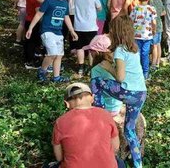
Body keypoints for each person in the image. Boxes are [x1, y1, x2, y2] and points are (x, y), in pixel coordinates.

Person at [90, 16, 147, 168]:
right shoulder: (133, 47)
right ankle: (138, 164)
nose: (109, 33)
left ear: (116, 32)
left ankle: (98, 114)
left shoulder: (120, 50)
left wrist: (108, 68)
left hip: (128, 92)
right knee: (129, 130)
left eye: (111, 30)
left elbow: (120, 78)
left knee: (97, 82)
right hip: (141, 94)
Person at [50, 83, 125, 168]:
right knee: (120, 163)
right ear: (92, 98)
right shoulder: (106, 115)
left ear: (66, 103)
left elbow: (59, 158)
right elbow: (115, 147)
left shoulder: (60, 122)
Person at [26, 0, 78, 83]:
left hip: (58, 31)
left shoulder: (64, 2)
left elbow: (66, 17)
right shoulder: (49, 0)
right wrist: (30, 28)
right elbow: (39, 14)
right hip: (47, 30)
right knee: (52, 54)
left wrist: (72, 30)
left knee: (59, 55)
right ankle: (42, 71)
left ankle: (56, 77)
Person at [84, 35, 122, 116]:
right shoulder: (115, 63)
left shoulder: (96, 69)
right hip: (117, 106)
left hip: (106, 109)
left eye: (91, 50)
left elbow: (95, 91)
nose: (90, 52)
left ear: (97, 52)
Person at [73, 0, 101, 77]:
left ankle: (81, 67)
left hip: (78, 26)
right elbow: (99, 8)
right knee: (91, 47)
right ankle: (91, 67)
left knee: (79, 47)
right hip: (91, 27)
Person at [129, 0, 157, 79]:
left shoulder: (135, 8)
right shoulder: (151, 9)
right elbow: (154, 22)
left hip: (136, 35)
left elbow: (131, 20)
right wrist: (154, 30)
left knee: (137, 53)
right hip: (147, 36)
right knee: (145, 54)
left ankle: (136, 71)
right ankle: (145, 73)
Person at [23, 0, 43, 69]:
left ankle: (29, 59)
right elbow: (37, 12)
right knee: (32, 42)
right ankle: (30, 61)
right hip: (33, 22)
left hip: (28, 20)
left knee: (29, 41)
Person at [146, 0, 165, 71]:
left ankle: (153, 64)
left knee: (154, 46)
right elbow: (164, 12)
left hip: (154, 27)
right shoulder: (160, 1)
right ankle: (157, 62)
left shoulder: (151, 2)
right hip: (160, 26)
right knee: (158, 45)